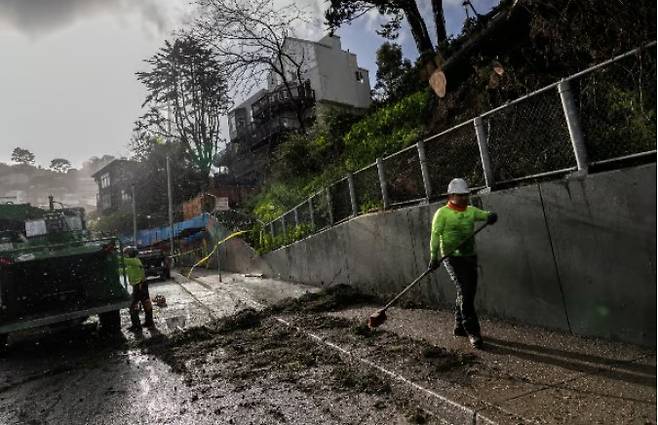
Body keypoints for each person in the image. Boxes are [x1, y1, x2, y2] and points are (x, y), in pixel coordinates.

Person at [428, 178, 497, 349]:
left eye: (466, 195)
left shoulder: (470, 211)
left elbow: (484, 215)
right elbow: (435, 236)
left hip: (469, 256)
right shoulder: (442, 214)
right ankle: (472, 330)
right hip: (452, 258)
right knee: (465, 291)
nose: (464, 198)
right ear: (451, 196)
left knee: (467, 291)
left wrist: (491, 216)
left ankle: (459, 324)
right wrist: (434, 257)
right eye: (460, 196)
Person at [122, 246, 155, 330]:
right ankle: (149, 322)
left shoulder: (134, 261)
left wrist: (113, 254)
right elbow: (124, 269)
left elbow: (122, 260)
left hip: (139, 285)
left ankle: (137, 325)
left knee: (133, 305)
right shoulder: (132, 263)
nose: (124, 255)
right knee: (145, 303)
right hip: (140, 285)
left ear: (130, 254)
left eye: (125, 254)